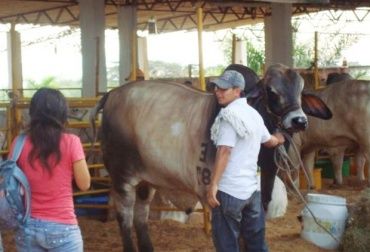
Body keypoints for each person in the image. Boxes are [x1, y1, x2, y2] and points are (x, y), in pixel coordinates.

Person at [207, 70, 285, 252]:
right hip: (252, 192)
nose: (218, 92)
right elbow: (269, 141)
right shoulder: (254, 115)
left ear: (237, 91)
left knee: (227, 245)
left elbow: (225, 150)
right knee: (256, 243)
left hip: (229, 192)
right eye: (217, 87)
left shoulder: (228, 117)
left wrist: (213, 185)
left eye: (223, 89)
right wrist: (280, 138)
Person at [10, 88, 91, 252]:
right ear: (62, 112)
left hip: (27, 228)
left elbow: (9, 182)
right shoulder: (71, 142)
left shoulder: (18, 143)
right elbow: (84, 184)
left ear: (33, 112)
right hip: (64, 228)